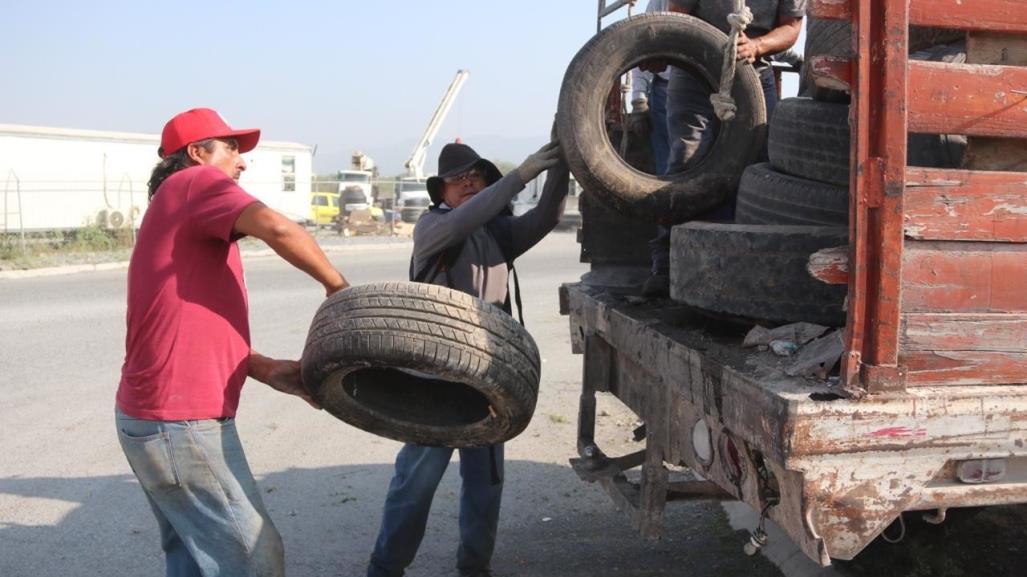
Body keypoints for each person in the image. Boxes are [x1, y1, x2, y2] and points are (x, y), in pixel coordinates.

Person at [115, 107, 349, 576]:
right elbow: (280, 228)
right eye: (233, 150)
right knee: (253, 555)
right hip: (179, 423)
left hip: (155, 417)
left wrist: (259, 367)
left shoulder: (175, 210)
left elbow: (185, 325)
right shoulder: (193, 184)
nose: (242, 164)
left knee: (194, 558)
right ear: (198, 153)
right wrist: (339, 290)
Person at [367, 139, 567, 577]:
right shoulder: (433, 229)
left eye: (476, 177)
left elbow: (549, 215)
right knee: (415, 484)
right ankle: (385, 569)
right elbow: (467, 219)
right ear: (441, 193)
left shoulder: (498, 233)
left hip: (490, 381)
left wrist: (564, 165)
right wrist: (521, 174)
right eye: (458, 180)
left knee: (485, 487)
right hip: (434, 383)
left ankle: (475, 569)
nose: (468, 184)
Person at [642, 0, 805, 297]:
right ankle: (666, 263)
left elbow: (792, 27)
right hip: (694, 68)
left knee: (758, 169)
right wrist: (660, 49)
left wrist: (757, 45)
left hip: (754, 71)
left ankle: (751, 268)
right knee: (686, 159)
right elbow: (678, 16)